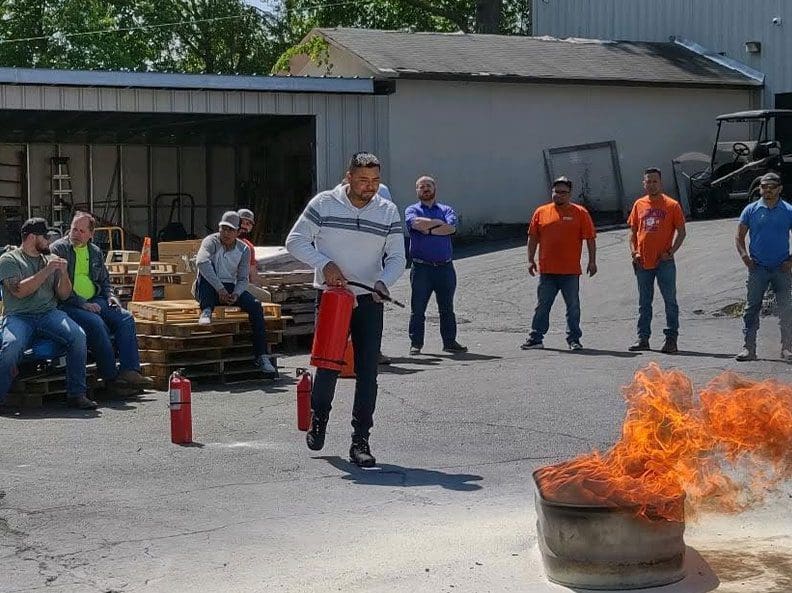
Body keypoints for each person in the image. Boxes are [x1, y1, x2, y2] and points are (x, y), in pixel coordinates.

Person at [285, 151, 405, 467]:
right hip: (332, 297)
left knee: (367, 372)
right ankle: (319, 419)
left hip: (369, 299)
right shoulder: (324, 203)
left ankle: (360, 440)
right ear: (348, 177)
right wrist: (324, 264)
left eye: (375, 180)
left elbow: (397, 256)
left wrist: (384, 281)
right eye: (363, 180)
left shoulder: (387, 210)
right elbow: (295, 241)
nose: (370, 186)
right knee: (328, 365)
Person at [0, 218, 96, 410]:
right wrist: (47, 270)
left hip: (48, 313)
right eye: (45, 237)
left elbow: (64, 294)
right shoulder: (9, 260)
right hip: (19, 315)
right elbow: (19, 291)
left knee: (78, 336)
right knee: (11, 346)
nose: (48, 241)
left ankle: (77, 394)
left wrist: (64, 274)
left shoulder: (50, 258)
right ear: (31, 237)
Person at [50, 212, 153, 388]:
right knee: (96, 323)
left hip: (96, 299)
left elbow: (104, 281)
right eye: (74, 229)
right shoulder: (59, 250)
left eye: (82, 231)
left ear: (91, 234)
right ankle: (111, 376)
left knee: (125, 318)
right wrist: (82, 303)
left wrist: (111, 296)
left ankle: (129, 370)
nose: (76, 234)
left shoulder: (95, 252)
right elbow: (57, 287)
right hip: (68, 304)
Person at [194, 211, 277, 375]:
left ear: (238, 231)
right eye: (223, 229)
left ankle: (261, 356)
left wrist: (237, 294)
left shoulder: (243, 249)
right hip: (209, 286)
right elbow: (201, 262)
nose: (226, 233)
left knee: (255, 306)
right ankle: (206, 309)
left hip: (230, 287)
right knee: (205, 275)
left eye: (230, 230)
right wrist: (220, 289)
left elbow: (243, 278)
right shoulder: (211, 241)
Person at [521, 176, 597, 350]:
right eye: (556, 192)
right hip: (548, 271)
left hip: (570, 271)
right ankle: (536, 338)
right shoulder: (541, 212)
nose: (559, 195)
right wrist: (530, 260)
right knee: (542, 305)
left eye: (564, 192)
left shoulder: (580, 213)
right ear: (552, 192)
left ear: (570, 194)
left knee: (573, 307)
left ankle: (574, 340)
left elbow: (590, 238)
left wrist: (592, 261)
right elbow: (533, 237)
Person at [405, 175, 467, 355]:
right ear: (417, 191)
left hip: (444, 268)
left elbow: (451, 228)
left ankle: (449, 342)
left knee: (447, 308)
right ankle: (416, 343)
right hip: (421, 268)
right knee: (418, 309)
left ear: (434, 188)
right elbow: (416, 224)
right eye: (421, 186)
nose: (425, 189)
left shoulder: (446, 209)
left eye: (428, 186)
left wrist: (429, 229)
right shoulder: (412, 209)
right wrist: (439, 225)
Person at [627, 167, 686, 354]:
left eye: (655, 181)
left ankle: (671, 339)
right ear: (643, 184)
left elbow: (682, 232)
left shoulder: (672, 205)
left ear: (660, 183)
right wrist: (634, 253)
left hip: (664, 262)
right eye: (648, 181)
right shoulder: (639, 205)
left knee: (670, 301)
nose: (651, 185)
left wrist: (671, 251)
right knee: (644, 302)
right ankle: (643, 338)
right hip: (643, 262)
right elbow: (633, 233)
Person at [734, 172, 792, 361]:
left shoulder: (788, 210)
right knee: (752, 308)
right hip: (757, 268)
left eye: (772, 187)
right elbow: (739, 236)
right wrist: (745, 257)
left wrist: (791, 261)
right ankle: (748, 348)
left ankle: (787, 348)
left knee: (786, 308)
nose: (767, 190)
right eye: (764, 187)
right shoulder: (750, 210)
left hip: (781, 268)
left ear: (779, 189)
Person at [236, 208, 272, 303]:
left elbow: (252, 272)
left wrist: (258, 287)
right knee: (266, 298)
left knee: (264, 296)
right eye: (242, 222)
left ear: (251, 227)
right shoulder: (224, 240)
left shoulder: (249, 246)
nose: (244, 226)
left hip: (240, 285)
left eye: (248, 224)